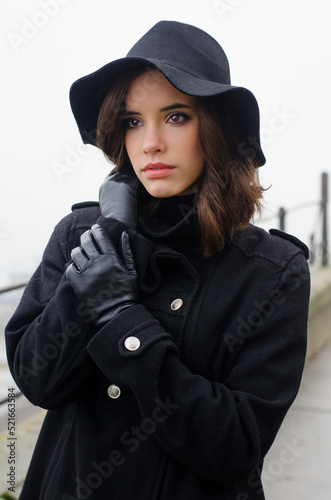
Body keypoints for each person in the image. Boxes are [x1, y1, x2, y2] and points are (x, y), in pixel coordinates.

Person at [5, 20, 310, 500]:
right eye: (132, 121)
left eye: (175, 116)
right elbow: (37, 380)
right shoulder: (80, 235)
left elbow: (235, 447)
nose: (150, 143)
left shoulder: (271, 271)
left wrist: (122, 322)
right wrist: (108, 236)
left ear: (217, 129)